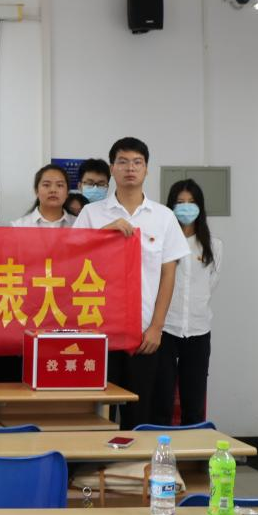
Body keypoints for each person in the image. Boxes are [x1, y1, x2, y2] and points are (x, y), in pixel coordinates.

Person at [74, 137, 189, 429]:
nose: (130, 168)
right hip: (99, 332)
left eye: (137, 162)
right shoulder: (91, 214)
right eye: (123, 162)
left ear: (146, 169)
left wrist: (156, 327)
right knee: (96, 414)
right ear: (112, 168)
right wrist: (103, 235)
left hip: (143, 334)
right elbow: (72, 263)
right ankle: (99, 459)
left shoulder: (163, 217)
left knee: (140, 414)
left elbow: (168, 274)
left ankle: (137, 460)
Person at [155, 179, 222, 427]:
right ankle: (160, 448)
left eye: (191, 202)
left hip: (198, 329)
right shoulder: (161, 242)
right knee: (161, 398)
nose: (186, 207)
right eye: (180, 202)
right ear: (170, 207)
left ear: (200, 207)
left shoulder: (213, 245)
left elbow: (211, 283)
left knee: (193, 400)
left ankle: (193, 449)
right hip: (164, 328)